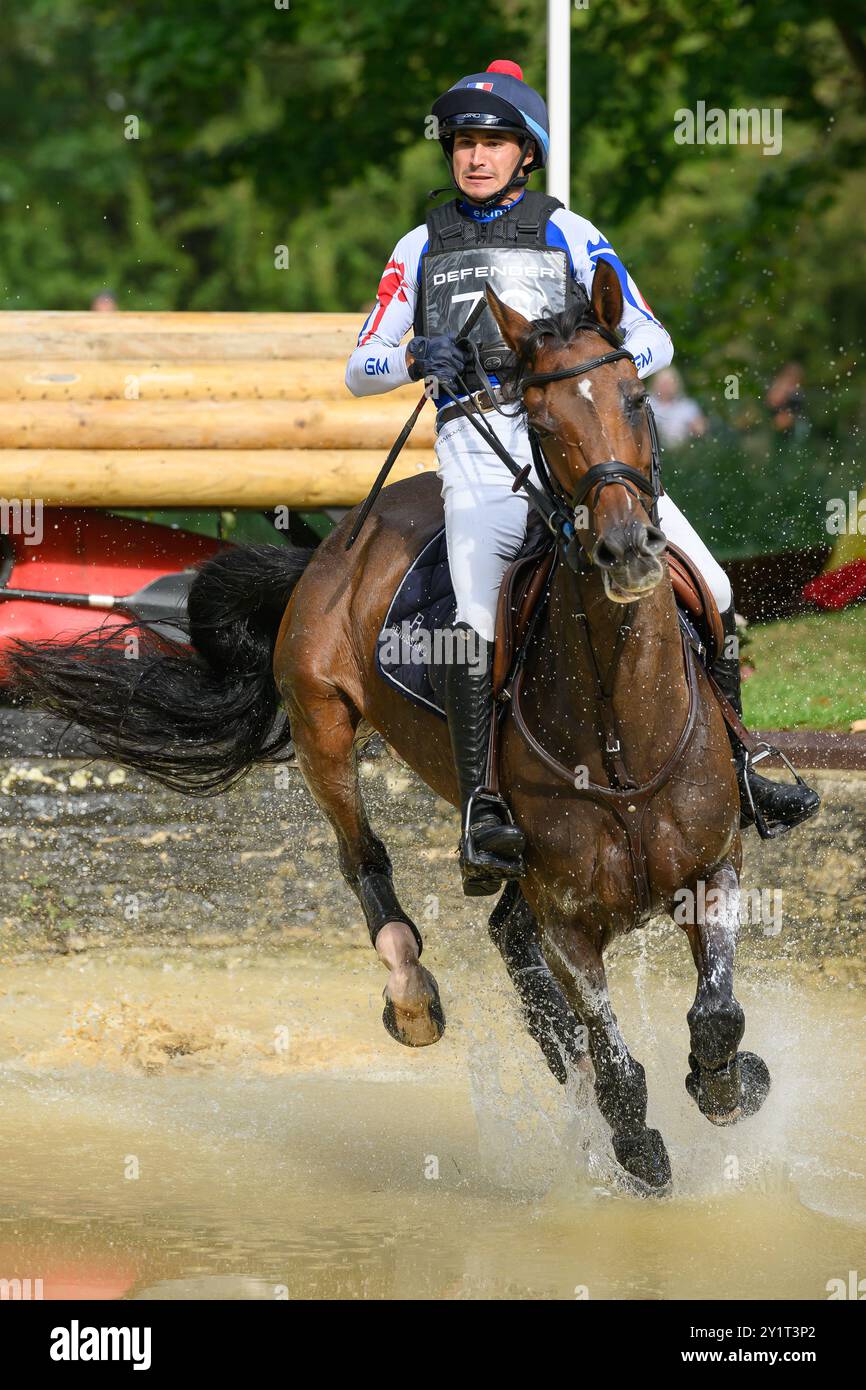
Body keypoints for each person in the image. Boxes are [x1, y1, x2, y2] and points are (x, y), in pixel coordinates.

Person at [345, 60, 819, 894]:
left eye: (494, 142)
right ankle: (484, 809)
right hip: (481, 452)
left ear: (526, 154)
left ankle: (742, 763)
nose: (476, 156)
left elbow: (653, 335)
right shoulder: (419, 247)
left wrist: (594, 374)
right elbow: (362, 366)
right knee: (474, 618)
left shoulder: (571, 231)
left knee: (709, 581)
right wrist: (419, 352)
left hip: (583, 448)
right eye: (463, 143)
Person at [649, 367, 707, 447]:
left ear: (677, 384)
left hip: (683, 453)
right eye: (662, 383)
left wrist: (697, 428)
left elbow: (700, 429)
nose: (665, 387)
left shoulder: (687, 406)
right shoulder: (647, 403)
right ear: (654, 384)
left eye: (668, 383)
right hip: (654, 451)